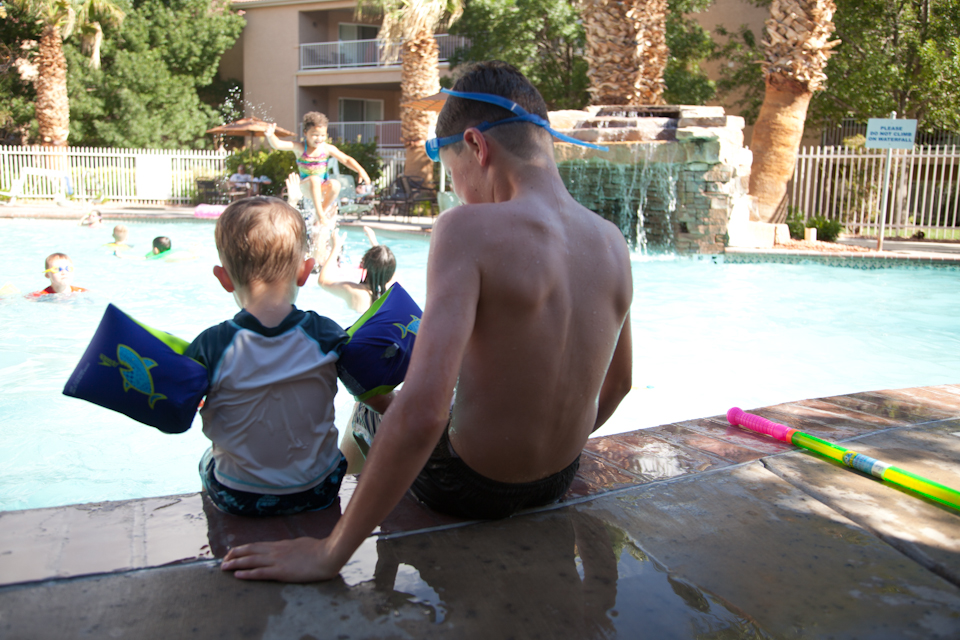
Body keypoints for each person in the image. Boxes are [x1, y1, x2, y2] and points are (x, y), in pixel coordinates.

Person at [221, 61, 633, 581]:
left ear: (477, 147)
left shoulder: (466, 229)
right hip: (557, 477)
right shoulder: (611, 240)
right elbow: (619, 385)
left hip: (467, 487)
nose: (456, 188)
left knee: (372, 402)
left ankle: (331, 510)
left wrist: (330, 554)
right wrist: (543, 455)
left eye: (448, 166)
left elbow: (421, 412)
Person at [183, 196, 352, 517]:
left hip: (239, 497)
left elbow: (175, 415)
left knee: (208, 457)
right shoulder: (326, 334)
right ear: (305, 271)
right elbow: (370, 388)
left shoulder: (211, 345)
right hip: (319, 489)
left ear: (224, 278)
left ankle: (223, 530)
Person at [265, 112, 372, 223]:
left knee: (335, 184)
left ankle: (320, 214)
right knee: (314, 179)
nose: (319, 138)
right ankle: (320, 215)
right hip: (306, 187)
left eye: (322, 135)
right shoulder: (300, 147)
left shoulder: (326, 148)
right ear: (305, 133)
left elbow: (346, 159)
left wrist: (361, 170)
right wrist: (270, 135)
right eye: (315, 134)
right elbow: (277, 144)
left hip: (321, 188)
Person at [317, 226, 396, 314]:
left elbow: (322, 281)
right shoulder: (392, 289)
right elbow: (384, 266)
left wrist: (335, 247)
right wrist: (374, 242)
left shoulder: (355, 291)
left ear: (365, 265)